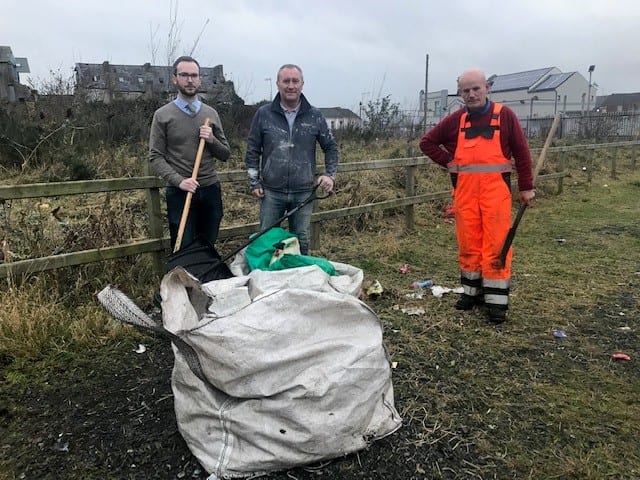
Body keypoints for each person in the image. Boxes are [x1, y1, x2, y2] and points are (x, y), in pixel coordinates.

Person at [419, 68, 534, 324]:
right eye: (466, 91)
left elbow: (522, 152)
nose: (471, 95)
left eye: (476, 89)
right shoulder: (456, 120)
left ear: (487, 88)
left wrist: (526, 187)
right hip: (465, 193)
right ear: (460, 93)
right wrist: (448, 161)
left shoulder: (505, 116)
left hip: (496, 194)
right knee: (468, 243)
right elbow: (426, 143)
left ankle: (496, 303)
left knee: (496, 244)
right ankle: (471, 293)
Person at [245, 64, 338, 255]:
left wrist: (330, 175)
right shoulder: (264, 114)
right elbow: (252, 150)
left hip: (303, 192)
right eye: (286, 81)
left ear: (302, 84)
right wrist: (254, 182)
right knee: (267, 239)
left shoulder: (314, 115)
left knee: (300, 239)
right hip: (271, 192)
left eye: (295, 81)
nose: (290, 85)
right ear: (278, 84)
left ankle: (300, 279)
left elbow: (330, 147)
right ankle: (269, 281)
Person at [149, 55, 230, 250]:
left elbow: (225, 154)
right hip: (180, 192)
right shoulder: (163, 115)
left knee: (207, 246)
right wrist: (180, 181)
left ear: (200, 79)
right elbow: (155, 156)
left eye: (194, 75)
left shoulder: (210, 114)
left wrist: (211, 139)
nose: (190, 80)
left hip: (210, 189)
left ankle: (205, 280)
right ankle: (184, 280)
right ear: (175, 78)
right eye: (184, 75)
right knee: (183, 247)